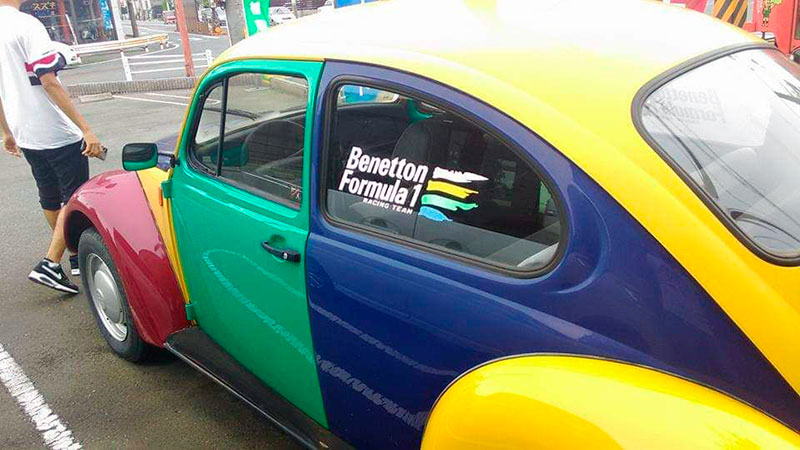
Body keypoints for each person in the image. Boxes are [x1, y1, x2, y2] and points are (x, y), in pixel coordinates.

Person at [0, 0, 104, 294]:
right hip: (54, 130)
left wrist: (7, 132)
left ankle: (73, 255)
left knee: (49, 196)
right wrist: (85, 129)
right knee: (74, 196)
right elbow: (48, 80)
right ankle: (50, 263)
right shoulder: (26, 25)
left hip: (24, 131)